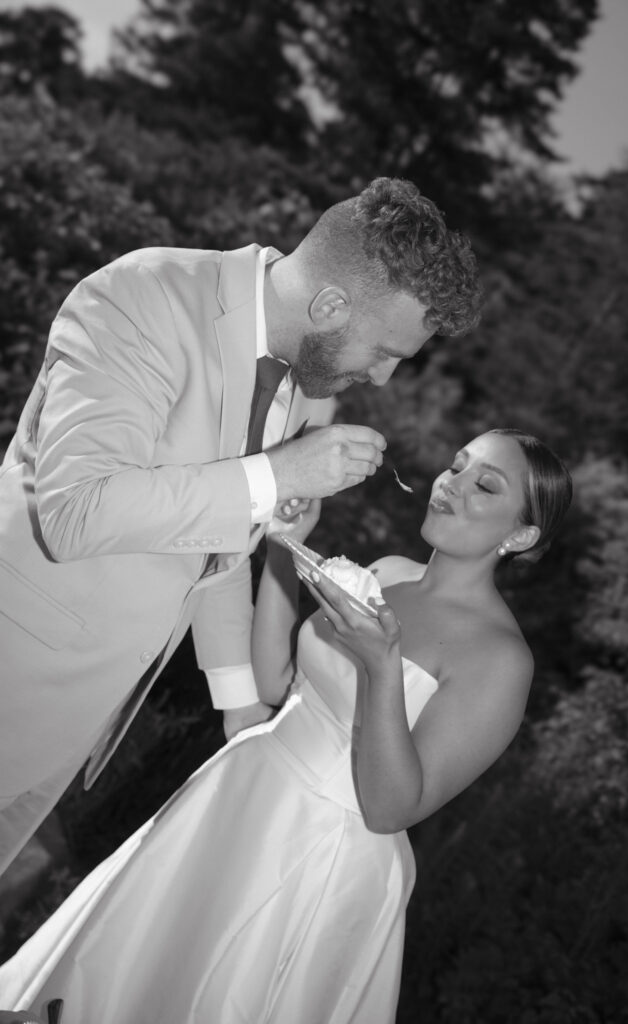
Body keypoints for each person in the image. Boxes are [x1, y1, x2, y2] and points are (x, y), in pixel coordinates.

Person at [0, 428, 572, 1023]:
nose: (452, 485)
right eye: (456, 466)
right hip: (240, 794)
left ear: (522, 533)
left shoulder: (502, 659)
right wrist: (283, 548)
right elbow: (275, 681)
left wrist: (382, 669)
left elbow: (391, 808)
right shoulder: (391, 572)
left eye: (484, 485)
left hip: (318, 853)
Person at [0, 177, 482, 873]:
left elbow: (211, 552)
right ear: (329, 303)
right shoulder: (143, 297)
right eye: (383, 353)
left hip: (81, 719)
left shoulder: (307, 387)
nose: (380, 381)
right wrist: (277, 478)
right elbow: (75, 512)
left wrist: (237, 708)